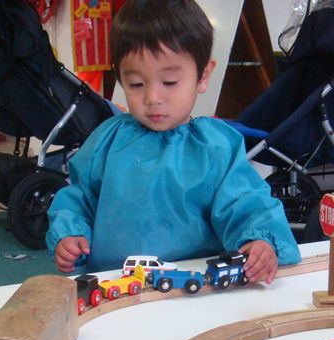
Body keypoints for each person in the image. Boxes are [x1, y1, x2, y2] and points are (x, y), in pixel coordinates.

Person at [46, 0, 300, 282]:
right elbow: (78, 197)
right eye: (136, 84)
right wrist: (70, 233)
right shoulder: (106, 140)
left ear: (203, 76)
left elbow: (246, 202)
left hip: (195, 283)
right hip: (114, 283)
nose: (152, 98)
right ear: (120, 77)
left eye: (169, 82)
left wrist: (259, 240)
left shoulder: (215, 147)